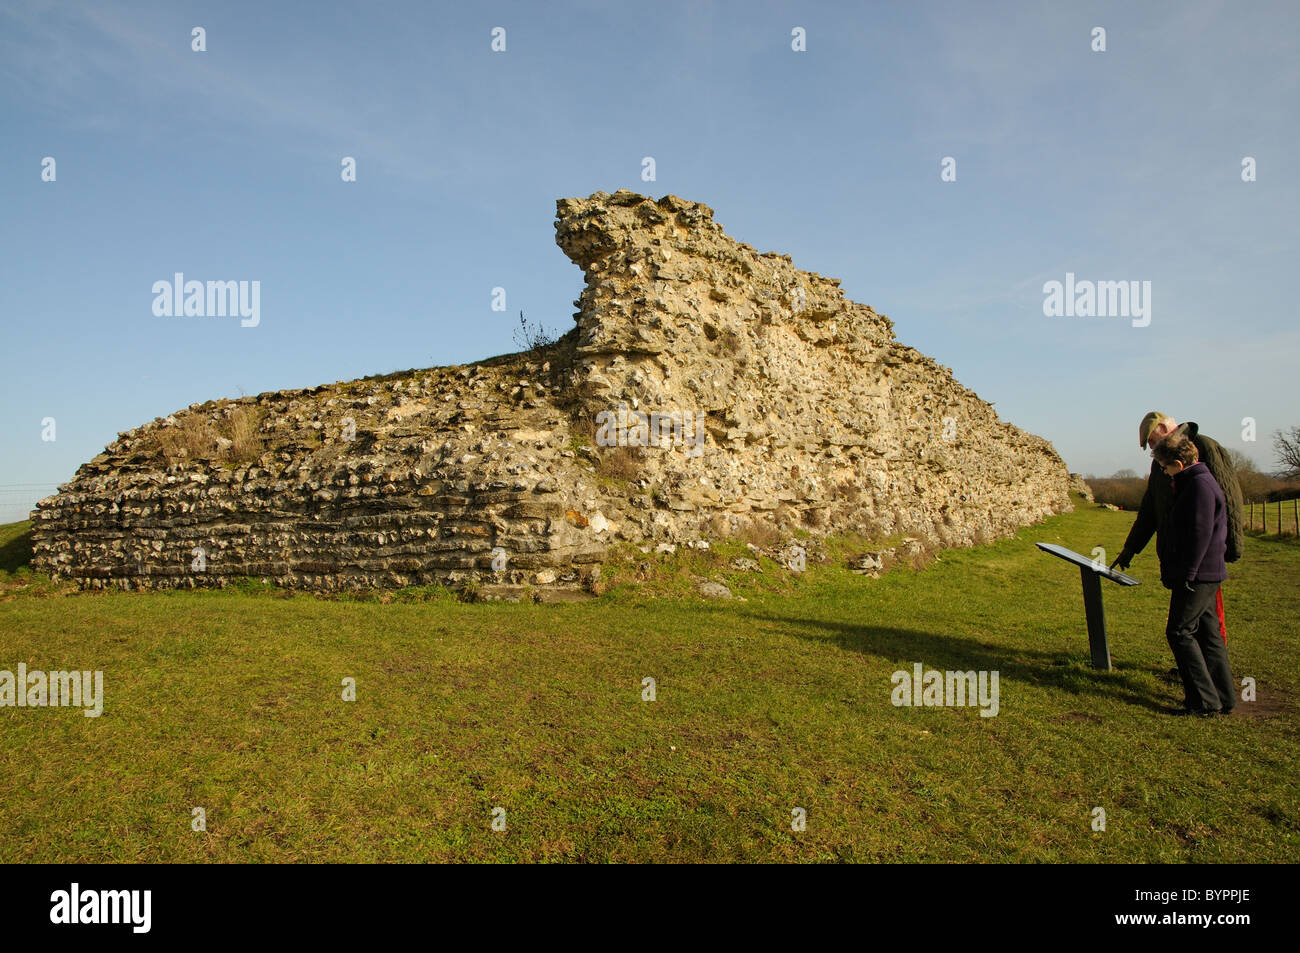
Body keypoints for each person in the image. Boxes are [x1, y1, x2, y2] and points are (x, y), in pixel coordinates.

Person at [1110, 412, 1243, 644]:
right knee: (1197, 621)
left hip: (1205, 555)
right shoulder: (1159, 463)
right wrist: (1130, 548)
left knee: (1204, 622)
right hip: (1180, 555)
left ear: (1163, 427)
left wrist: (1230, 547)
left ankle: (1204, 672)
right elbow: (1150, 509)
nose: (1151, 448)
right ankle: (1200, 669)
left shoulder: (1204, 446)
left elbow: (1229, 498)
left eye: (1152, 440)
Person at [1151, 434, 1235, 715]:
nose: (1164, 472)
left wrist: (1188, 573)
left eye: (1166, 467)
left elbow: (1199, 534)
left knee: (1179, 632)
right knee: (1209, 634)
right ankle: (1224, 696)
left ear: (1178, 462)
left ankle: (1203, 701)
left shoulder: (1197, 485)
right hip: (1207, 573)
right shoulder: (1200, 480)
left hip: (1199, 575)